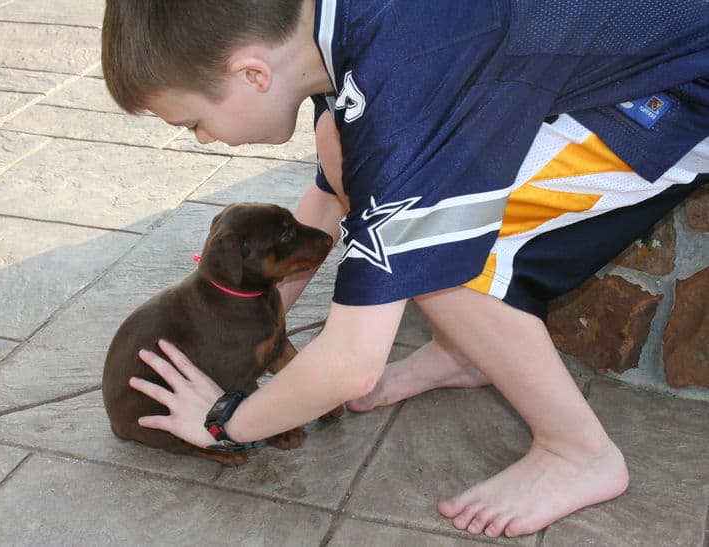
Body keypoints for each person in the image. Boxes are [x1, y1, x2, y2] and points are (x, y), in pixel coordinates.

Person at [101, 0, 709, 538]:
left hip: (682, 83)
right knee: (356, 161)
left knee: (432, 239)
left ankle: (577, 451)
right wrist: (238, 314)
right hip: (600, 57)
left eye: (192, 123)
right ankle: (469, 348)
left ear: (252, 72)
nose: (203, 141)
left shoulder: (404, 76)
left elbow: (350, 366)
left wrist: (225, 422)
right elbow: (335, 184)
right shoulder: (327, 28)